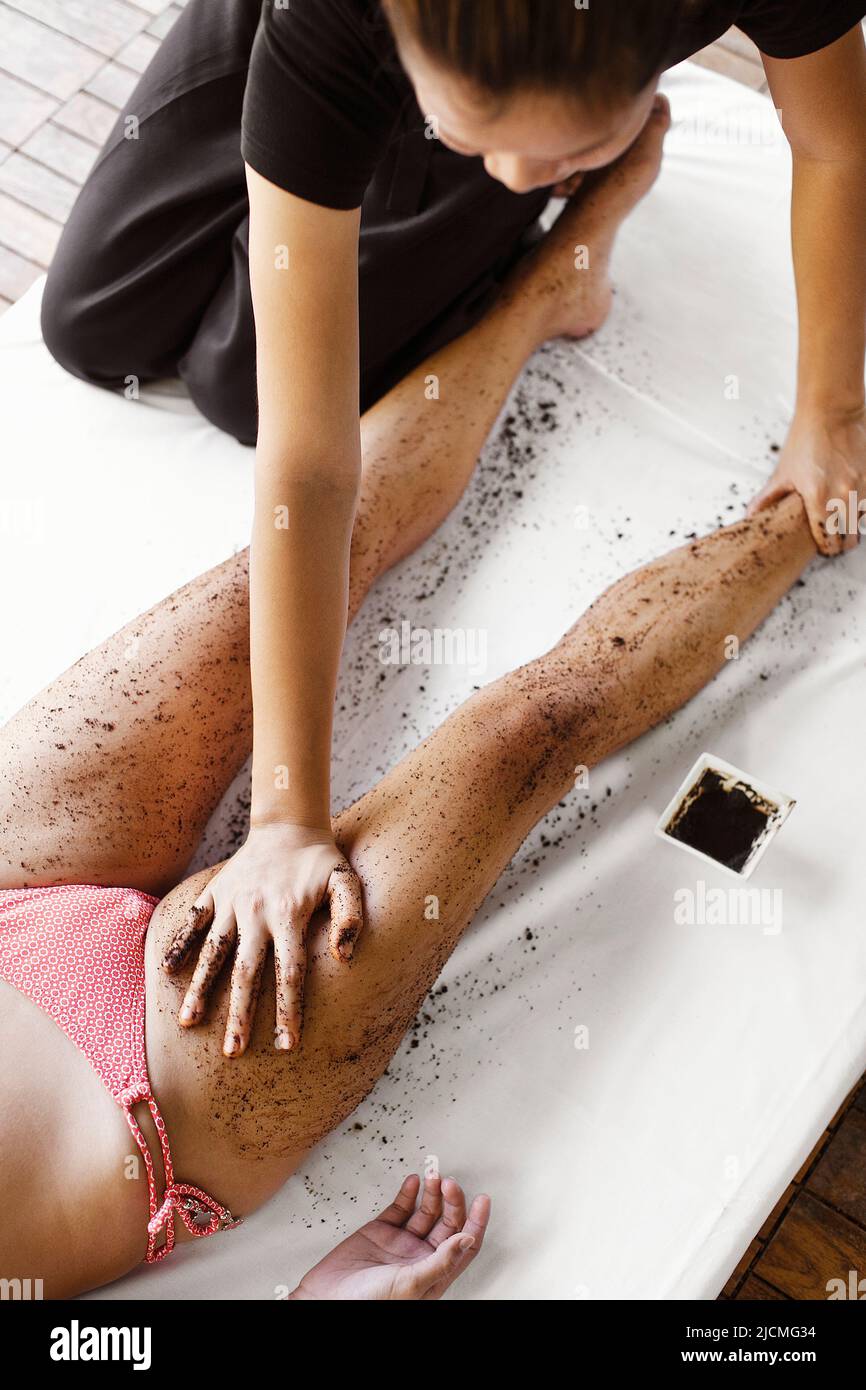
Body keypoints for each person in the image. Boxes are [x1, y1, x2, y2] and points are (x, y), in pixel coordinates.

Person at [1, 217, 819, 1293]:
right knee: (524, 730)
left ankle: (548, 289)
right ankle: (816, 506)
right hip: (162, 1089)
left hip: (17, 881)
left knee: (292, 570)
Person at [36, 2, 866, 1044]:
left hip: (413, 84)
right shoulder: (333, 26)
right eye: (484, 140)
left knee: (236, 383)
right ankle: (423, 149)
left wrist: (830, 414)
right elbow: (309, 465)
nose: (519, 175)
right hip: (314, 40)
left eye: (563, 151)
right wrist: (285, 815)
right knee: (92, 323)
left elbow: (835, 142)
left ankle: (552, 262)